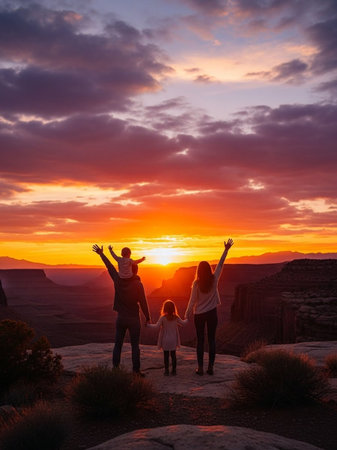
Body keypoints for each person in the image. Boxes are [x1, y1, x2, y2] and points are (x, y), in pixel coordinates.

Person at [92, 244, 150, 376]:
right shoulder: (138, 284)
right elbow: (143, 302)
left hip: (121, 318)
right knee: (135, 346)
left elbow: (110, 267)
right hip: (134, 319)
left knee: (118, 344)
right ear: (136, 270)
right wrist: (147, 317)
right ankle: (136, 371)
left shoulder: (118, 280)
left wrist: (102, 254)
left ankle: (115, 370)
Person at [185, 238, 234, 376]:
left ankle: (200, 368)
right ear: (208, 270)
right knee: (212, 339)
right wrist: (226, 250)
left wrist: (187, 313)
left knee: (200, 340)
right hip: (212, 313)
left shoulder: (196, 284)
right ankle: (210, 368)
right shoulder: (214, 279)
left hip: (199, 315)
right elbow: (220, 265)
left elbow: (192, 300)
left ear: (198, 271)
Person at [147, 299, 187, 376]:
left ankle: (166, 371)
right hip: (173, 340)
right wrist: (187, 317)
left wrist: (148, 325)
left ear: (164, 308)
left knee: (166, 356)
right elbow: (183, 323)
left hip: (165, 340)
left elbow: (156, 326)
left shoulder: (163, 318)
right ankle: (174, 371)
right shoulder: (176, 317)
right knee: (173, 355)